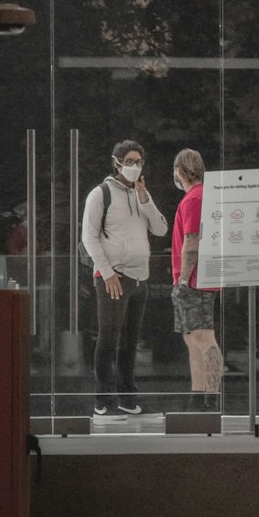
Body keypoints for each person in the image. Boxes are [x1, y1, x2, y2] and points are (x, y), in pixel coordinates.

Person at [82, 139, 168, 421]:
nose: (134, 166)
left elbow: (160, 229)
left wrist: (145, 199)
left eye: (138, 162)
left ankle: (128, 399)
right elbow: (89, 236)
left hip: (139, 278)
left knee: (130, 341)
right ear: (116, 162)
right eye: (129, 161)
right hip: (113, 278)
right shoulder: (101, 193)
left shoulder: (140, 194)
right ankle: (103, 403)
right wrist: (107, 273)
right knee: (108, 337)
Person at [171, 148, 224, 411]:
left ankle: (211, 398)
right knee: (192, 338)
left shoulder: (194, 199)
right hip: (200, 278)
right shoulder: (204, 196)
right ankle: (199, 394)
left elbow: (192, 240)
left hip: (194, 280)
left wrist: (182, 278)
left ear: (180, 171)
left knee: (203, 337)